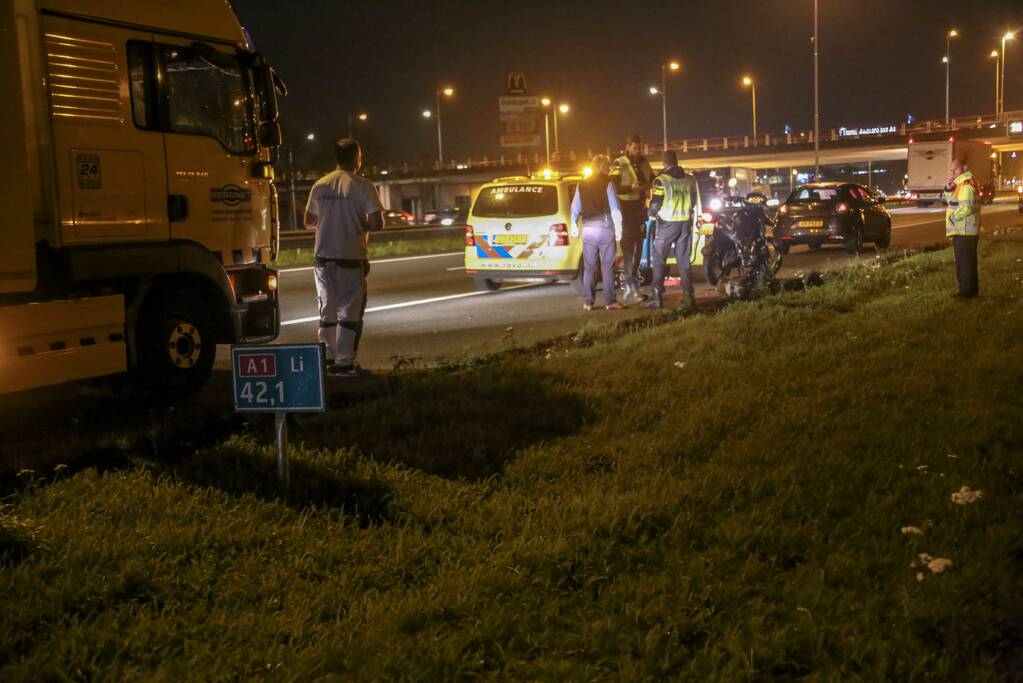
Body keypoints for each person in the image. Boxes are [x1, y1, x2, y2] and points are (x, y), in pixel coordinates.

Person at [304, 138, 384, 376]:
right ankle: (344, 363)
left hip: (322, 258)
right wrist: (357, 222)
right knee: (349, 312)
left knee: (326, 310)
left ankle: (327, 358)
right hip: (350, 256)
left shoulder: (320, 185)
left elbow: (309, 222)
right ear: (358, 158)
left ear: (336, 158)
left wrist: (329, 219)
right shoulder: (364, 186)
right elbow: (377, 223)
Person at [647, 150, 701, 311]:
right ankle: (689, 297)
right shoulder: (689, 179)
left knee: (659, 260)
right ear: (676, 161)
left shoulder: (661, 181)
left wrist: (651, 213)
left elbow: (655, 204)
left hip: (666, 225)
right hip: (685, 223)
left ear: (664, 163)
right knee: (684, 261)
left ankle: (657, 297)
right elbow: (693, 201)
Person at [571, 155, 624, 311]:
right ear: (601, 167)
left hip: (588, 229)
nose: (608, 169)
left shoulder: (581, 184)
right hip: (605, 228)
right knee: (607, 266)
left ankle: (588, 302)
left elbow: (575, 208)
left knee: (589, 267)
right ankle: (610, 301)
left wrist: (574, 225)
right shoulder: (608, 183)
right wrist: (619, 228)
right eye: (607, 166)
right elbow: (615, 208)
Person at [610, 133, 655, 304]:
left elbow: (653, 179)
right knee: (629, 251)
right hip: (626, 212)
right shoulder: (619, 163)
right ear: (628, 147)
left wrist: (646, 185)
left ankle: (632, 285)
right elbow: (613, 186)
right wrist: (630, 188)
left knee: (637, 251)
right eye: (635, 148)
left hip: (639, 211)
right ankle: (630, 288)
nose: (638, 151)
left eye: (640, 147)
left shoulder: (644, 162)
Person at [943, 156, 981, 299]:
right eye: (951, 170)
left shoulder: (965, 186)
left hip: (964, 230)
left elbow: (965, 208)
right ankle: (972, 291)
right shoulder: (962, 185)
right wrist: (948, 190)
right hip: (965, 230)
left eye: (955, 169)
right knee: (968, 262)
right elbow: (953, 203)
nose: (952, 173)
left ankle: (965, 293)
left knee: (964, 264)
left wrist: (953, 218)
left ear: (964, 168)